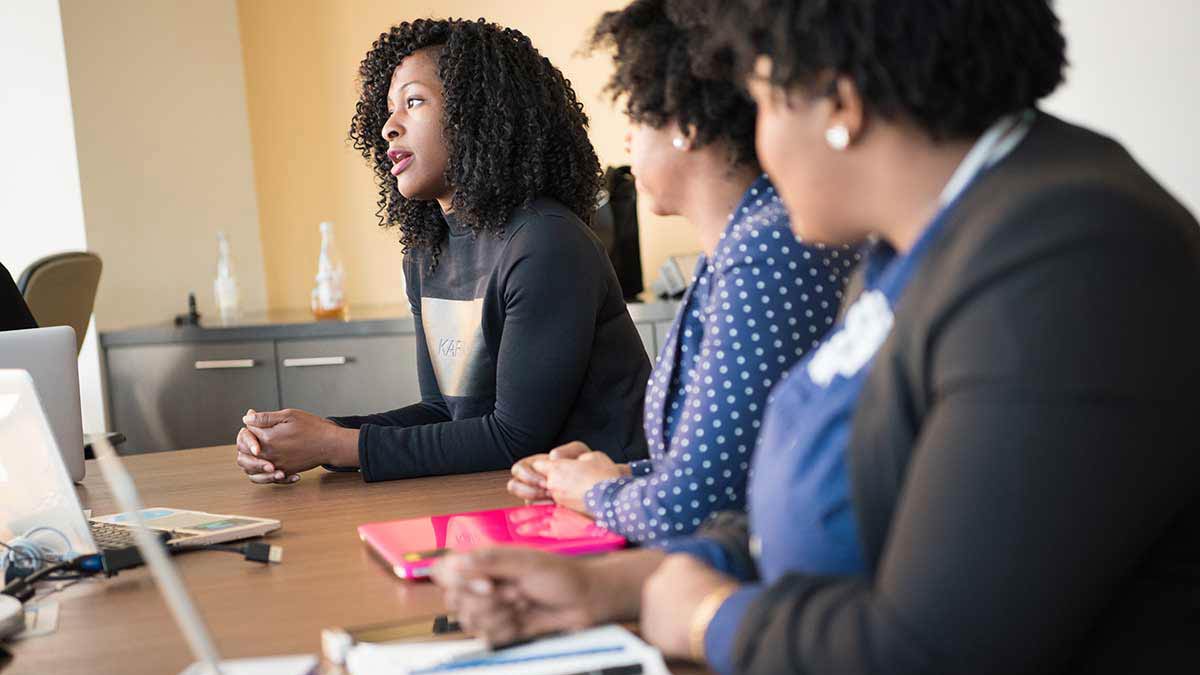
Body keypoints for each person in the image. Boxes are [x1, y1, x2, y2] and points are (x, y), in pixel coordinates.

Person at [431, 1, 1200, 673]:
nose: (758, 145)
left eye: (762, 103)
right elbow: (821, 512)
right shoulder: (917, 242)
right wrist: (611, 588)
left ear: (839, 102)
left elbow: (932, 649)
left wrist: (707, 618)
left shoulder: (1070, 257)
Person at [234, 18, 651, 484]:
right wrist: (314, 438)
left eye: (414, 102)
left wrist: (339, 444)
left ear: (478, 113)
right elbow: (445, 413)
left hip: (606, 510)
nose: (389, 127)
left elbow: (516, 437)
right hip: (507, 495)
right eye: (389, 109)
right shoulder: (426, 252)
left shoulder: (546, 243)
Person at [506, 0, 856, 543]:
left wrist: (596, 493)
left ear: (686, 124)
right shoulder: (741, 245)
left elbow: (693, 508)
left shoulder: (764, 249)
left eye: (634, 116)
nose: (625, 141)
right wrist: (613, 475)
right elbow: (731, 468)